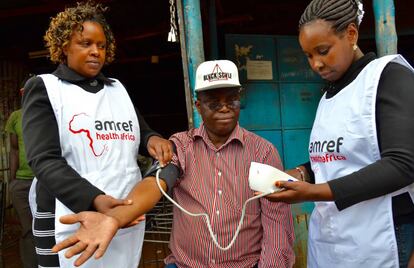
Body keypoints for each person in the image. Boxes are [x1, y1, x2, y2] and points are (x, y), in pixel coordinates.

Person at [52, 59, 296, 267]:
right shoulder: (181, 145)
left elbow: (277, 227)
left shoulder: (263, 152)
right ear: (198, 106)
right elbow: (157, 182)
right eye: (213, 101)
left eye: (231, 99)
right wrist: (115, 218)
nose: (224, 108)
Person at [21, 1, 173, 267]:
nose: (95, 52)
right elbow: (43, 159)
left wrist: (153, 139)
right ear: (64, 46)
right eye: (86, 43)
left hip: (122, 213)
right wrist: (95, 199)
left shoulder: (117, 90)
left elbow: (139, 132)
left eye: (101, 46)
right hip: (67, 212)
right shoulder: (45, 89)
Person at [264, 0, 414, 267]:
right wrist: (301, 173)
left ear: (351, 34)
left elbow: (402, 164)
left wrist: (311, 192)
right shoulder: (328, 95)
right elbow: (337, 159)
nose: (316, 64)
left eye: (323, 51)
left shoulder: (388, 77)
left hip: (380, 238)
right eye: (308, 55)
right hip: (331, 241)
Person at [5, 76, 38, 268]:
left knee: (48, 227)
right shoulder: (15, 117)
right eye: (26, 91)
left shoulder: (50, 114)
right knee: (27, 229)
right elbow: (14, 150)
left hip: (44, 181)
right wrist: (12, 181)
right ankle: (30, 265)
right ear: (22, 94)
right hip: (22, 182)